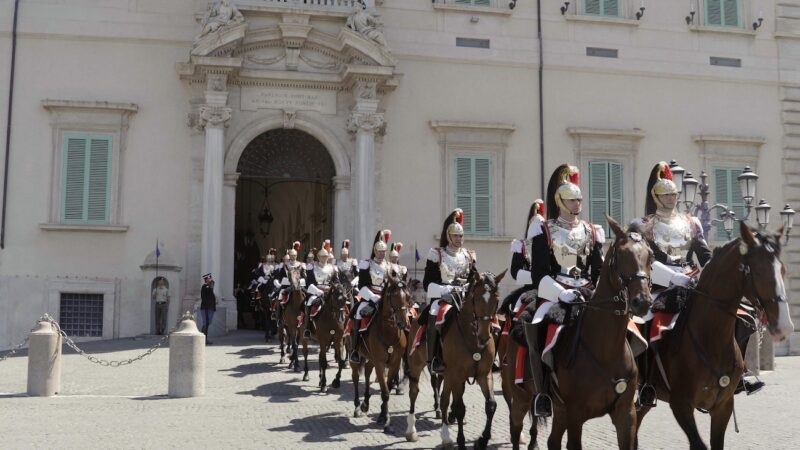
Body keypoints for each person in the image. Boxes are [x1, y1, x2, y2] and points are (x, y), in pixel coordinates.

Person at [518, 164, 605, 417]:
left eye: (579, 199)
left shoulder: (591, 231)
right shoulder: (544, 230)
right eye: (572, 200)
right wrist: (561, 293)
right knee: (536, 326)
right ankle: (543, 392)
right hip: (556, 291)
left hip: (587, 292)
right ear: (560, 200)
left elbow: (598, 270)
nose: (577, 203)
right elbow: (539, 275)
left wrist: (598, 290)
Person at [423, 208, 476, 374]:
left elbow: (474, 278)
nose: (459, 239)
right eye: (455, 235)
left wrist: (470, 287)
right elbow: (428, 284)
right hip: (444, 297)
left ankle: (483, 355)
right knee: (433, 311)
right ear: (448, 236)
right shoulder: (437, 254)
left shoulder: (469, 255)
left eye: (461, 236)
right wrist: (449, 288)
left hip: (465, 297)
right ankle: (433, 359)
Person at [349, 229, 392, 363]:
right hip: (370, 298)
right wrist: (373, 297)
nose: (382, 253)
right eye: (379, 251)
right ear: (375, 250)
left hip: (386, 299)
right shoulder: (366, 264)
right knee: (358, 314)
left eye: (384, 251)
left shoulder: (390, 266)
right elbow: (361, 285)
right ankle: (355, 349)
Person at [500, 199, 546, 318]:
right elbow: (515, 271)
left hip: (548, 287)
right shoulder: (521, 245)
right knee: (518, 308)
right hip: (530, 287)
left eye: (542, 226)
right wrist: (536, 276)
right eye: (537, 226)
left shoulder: (551, 245)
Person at [303, 241, 338, 338]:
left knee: (342, 305)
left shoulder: (333, 268)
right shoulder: (312, 267)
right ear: (318, 257)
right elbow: (309, 284)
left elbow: (336, 282)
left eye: (325, 256)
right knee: (309, 303)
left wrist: (337, 289)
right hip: (317, 292)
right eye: (322, 256)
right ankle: (307, 328)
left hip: (330, 292)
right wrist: (318, 292)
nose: (324, 258)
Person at [200, 273, 217, 345]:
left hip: (210, 308)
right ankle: (203, 339)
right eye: (210, 279)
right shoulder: (205, 287)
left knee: (207, 324)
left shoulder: (209, 287)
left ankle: (203, 339)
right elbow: (209, 289)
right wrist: (211, 285)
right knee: (206, 324)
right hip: (206, 308)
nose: (211, 280)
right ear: (206, 279)